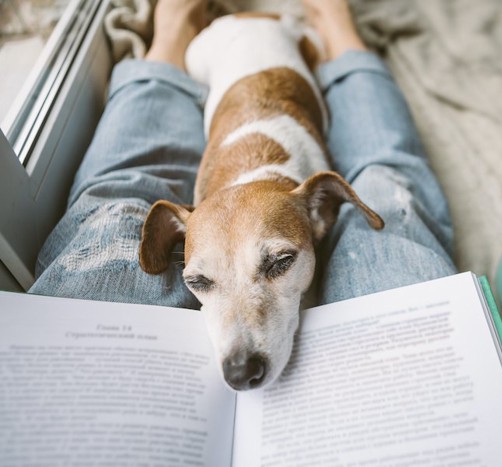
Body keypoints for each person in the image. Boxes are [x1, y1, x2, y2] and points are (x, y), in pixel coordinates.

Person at [29, 0, 456, 306]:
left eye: (278, 263)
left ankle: (176, 36)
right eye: (200, 280)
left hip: (276, 51)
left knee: (116, 197)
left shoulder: (314, 202)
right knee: (390, 181)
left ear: (323, 209)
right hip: (222, 52)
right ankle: (333, 31)